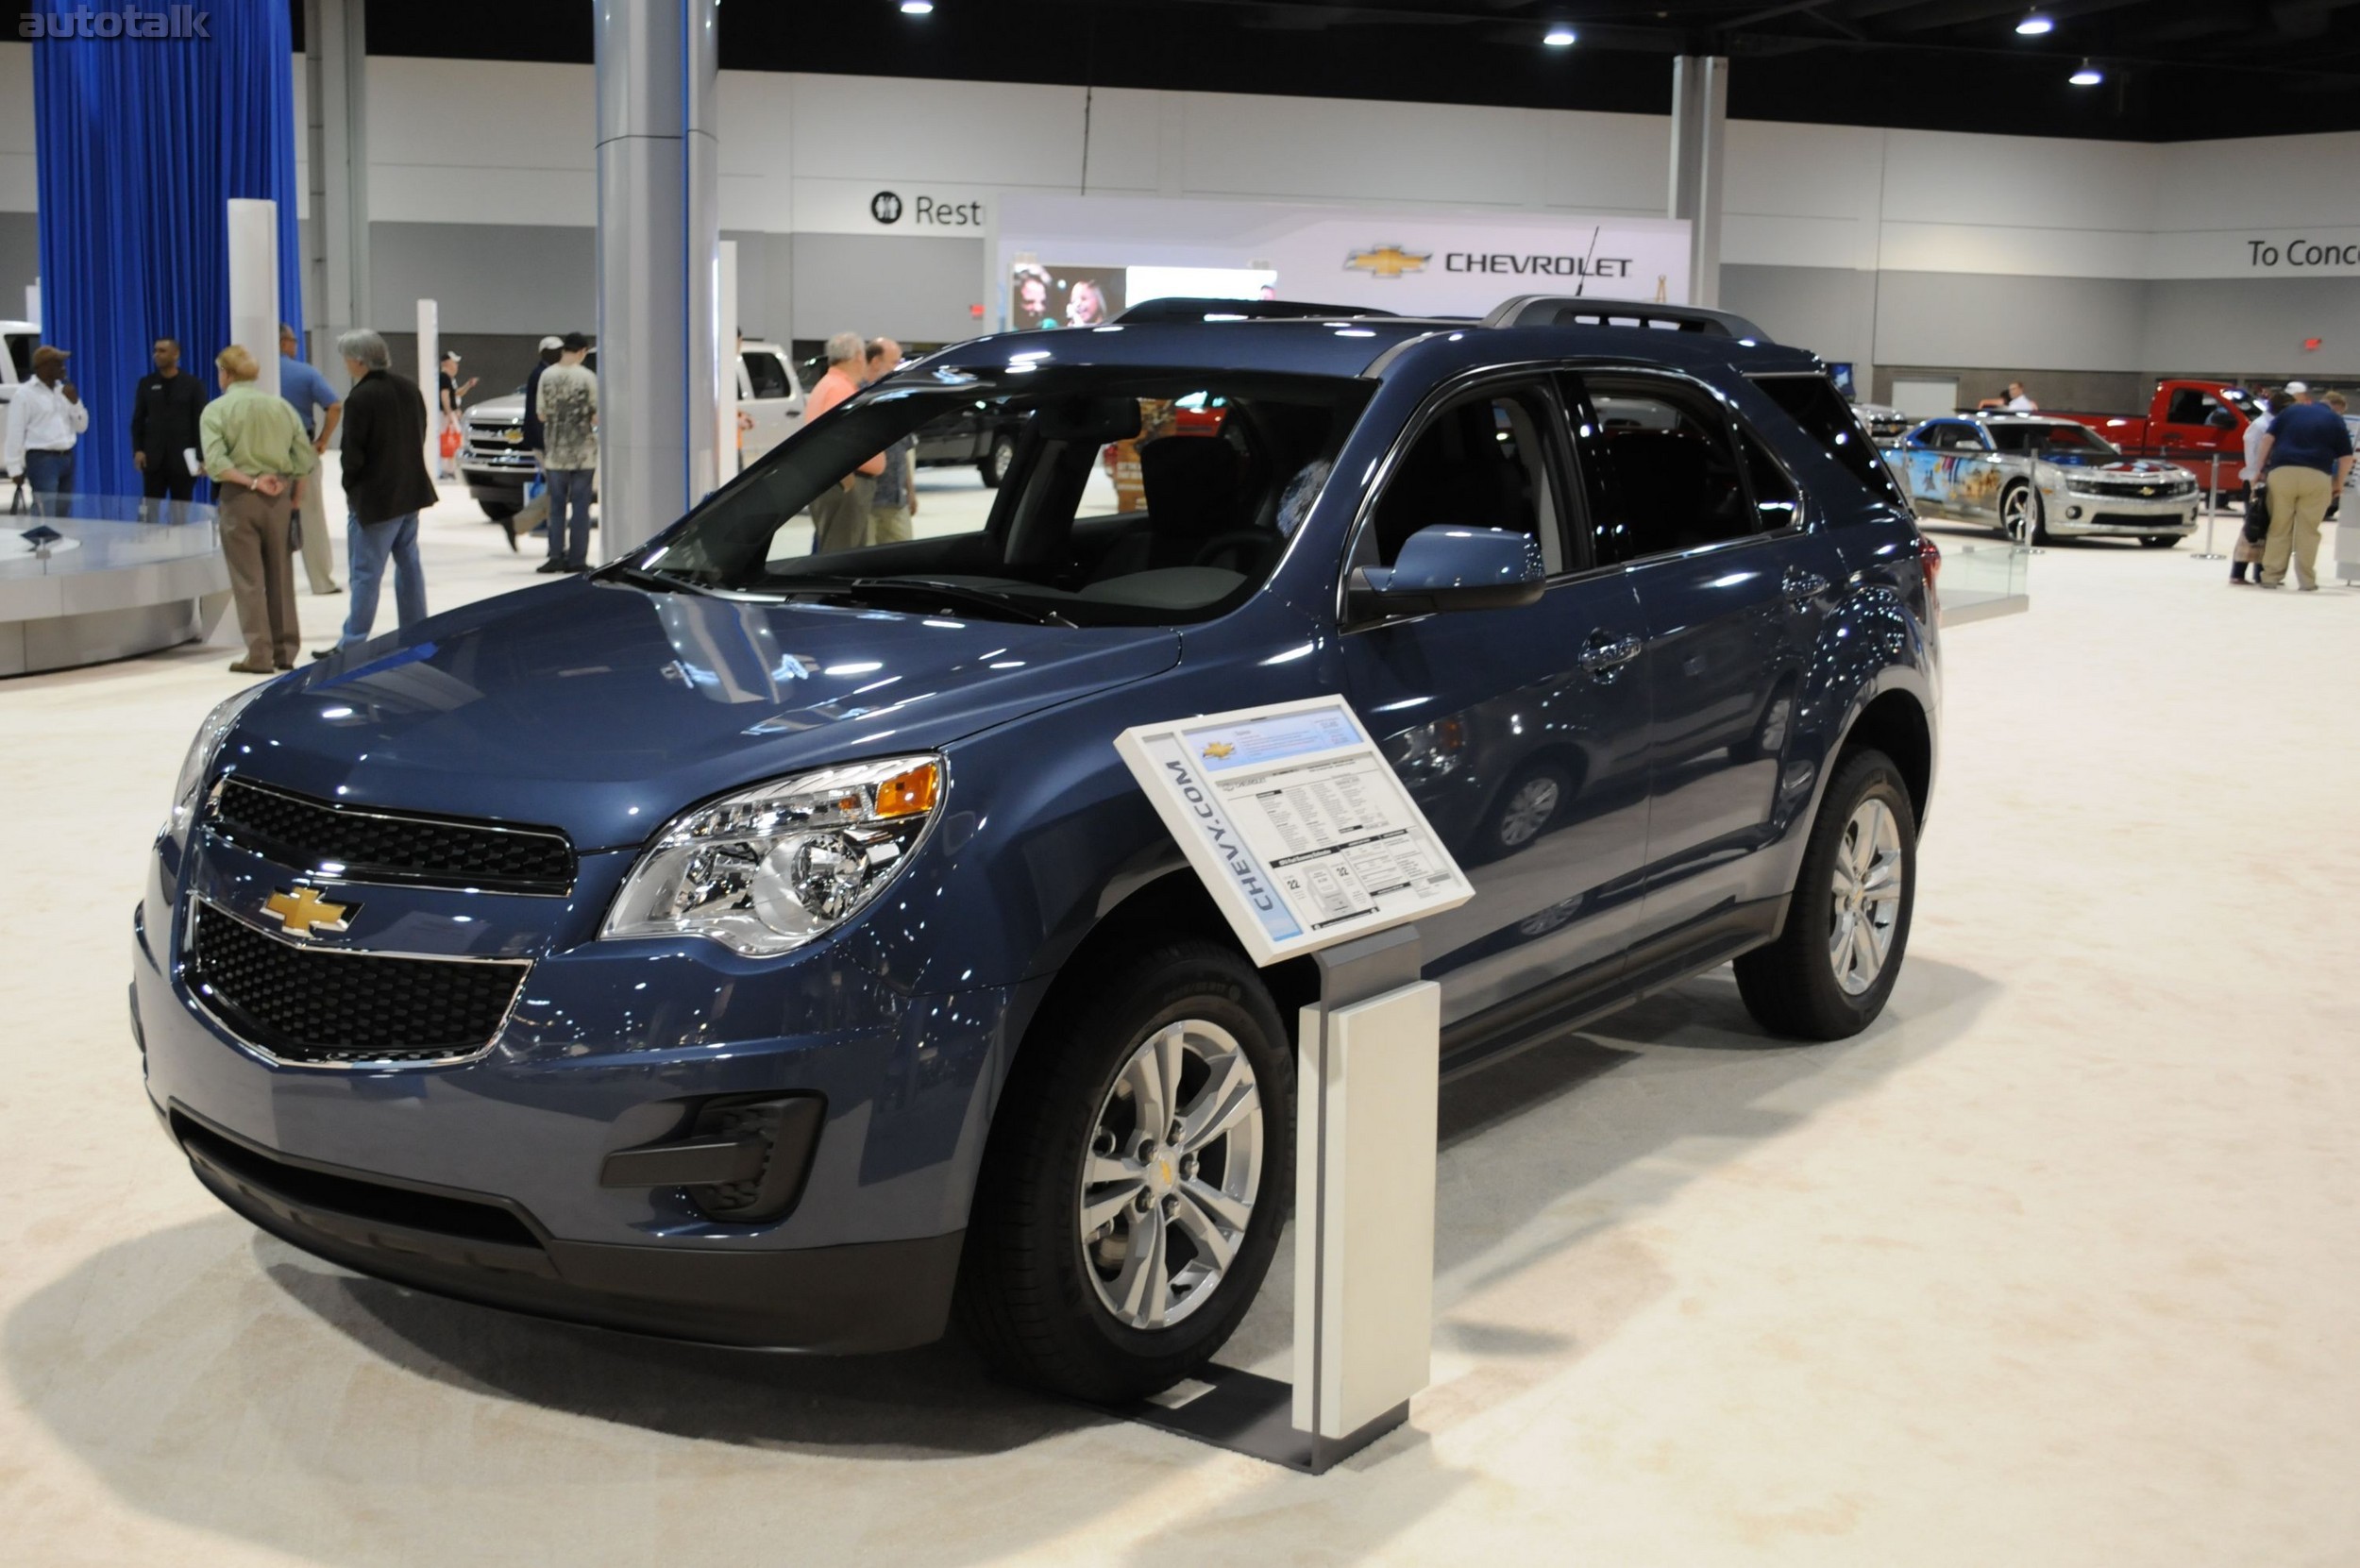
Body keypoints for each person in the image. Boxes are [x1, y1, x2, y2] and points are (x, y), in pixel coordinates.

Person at [198, 345, 317, 674]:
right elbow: (305, 460)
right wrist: (291, 499)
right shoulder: (281, 407)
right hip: (279, 495)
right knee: (281, 576)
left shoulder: (216, 410)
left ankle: (259, 654)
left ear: (226, 373)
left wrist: (251, 483)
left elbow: (217, 462)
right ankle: (286, 651)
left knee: (249, 579)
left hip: (240, 498)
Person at [325, 329, 439, 654]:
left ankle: (354, 642)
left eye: (346, 358)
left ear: (358, 360)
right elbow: (421, 431)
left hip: (377, 499)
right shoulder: (409, 388)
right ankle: (417, 630)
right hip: (410, 491)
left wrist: (351, 488)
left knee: (365, 573)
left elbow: (353, 455)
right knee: (409, 564)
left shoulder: (360, 397)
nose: (345, 363)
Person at [2252, 380, 2356, 592]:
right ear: (2337, 408)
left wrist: (2258, 470)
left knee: (2278, 527)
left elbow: (2267, 440)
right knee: (2308, 530)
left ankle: (2271, 576)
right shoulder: (2335, 420)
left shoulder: (2291, 412)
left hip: (2282, 473)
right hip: (2317, 476)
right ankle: (2306, 581)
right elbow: (2346, 458)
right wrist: (2338, 484)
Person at [278, 323, 344, 593]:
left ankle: (274, 584)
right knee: (311, 515)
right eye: (293, 340)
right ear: (283, 342)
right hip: (301, 448)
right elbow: (335, 405)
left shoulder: (256, 374)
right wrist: (323, 440)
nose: (295, 345)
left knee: (268, 518)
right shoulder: (305, 373)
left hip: (262, 452)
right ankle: (321, 581)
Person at [805, 331, 883, 553]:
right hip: (846, 484)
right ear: (859, 356)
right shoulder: (839, 389)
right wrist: (848, 482)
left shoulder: (829, 384)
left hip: (839, 482)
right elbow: (833, 441)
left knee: (840, 549)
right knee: (841, 554)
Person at [534, 332, 598, 574]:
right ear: (582, 351)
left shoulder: (547, 376)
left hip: (555, 453)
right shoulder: (588, 377)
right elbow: (595, 416)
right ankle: (577, 560)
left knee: (556, 507)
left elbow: (541, 414)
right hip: (583, 453)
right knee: (581, 507)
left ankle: (554, 556)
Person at [4, 344, 89, 516]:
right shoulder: (25, 394)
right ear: (43, 366)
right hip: (42, 460)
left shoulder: (64, 391)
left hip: (67, 457)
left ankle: (61, 542)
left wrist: (75, 403)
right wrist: (14, 468)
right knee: (45, 511)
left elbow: (82, 427)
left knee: (63, 512)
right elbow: (15, 432)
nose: (63, 368)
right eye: (58, 363)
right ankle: (42, 543)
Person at [129, 337, 207, 525]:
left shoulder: (193, 385)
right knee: (149, 511)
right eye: (155, 350)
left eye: (162, 351)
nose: (157, 355)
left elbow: (201, 423)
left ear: (176, 354)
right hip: (154, 458)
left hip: (183, 459)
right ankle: (149, 546)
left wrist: (202, 457)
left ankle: (181, 547)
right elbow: (138, 420)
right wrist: (138, 450)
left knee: (181, 511)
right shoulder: (146, 383)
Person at [864, 337, 919, 544]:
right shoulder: (859, 398)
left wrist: (910, 492)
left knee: (903, 557)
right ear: (876, 361)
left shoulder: (897, 399)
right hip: (869, 502)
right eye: (894, 363)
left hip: (897, 501)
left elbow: (903, 451)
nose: (898, 369)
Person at [2232, 389, 2279, 584]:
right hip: (2256, 479)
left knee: (2265, 526)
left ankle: (2260, 571)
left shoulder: (2272, 424)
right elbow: (2251, 451)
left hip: (2265, 477)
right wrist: (2254, 478)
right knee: (2253, 525)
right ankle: (2238, 572)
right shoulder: (2261, 425)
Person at [434, 348, 476, 480]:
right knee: (448, 440)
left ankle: (449, 468)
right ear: (446, 363)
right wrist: (450, 414)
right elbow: (444, 397)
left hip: (448, 414)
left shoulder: (449, 379)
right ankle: (446, 468)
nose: (456, 365)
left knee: (451, 440)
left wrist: (468, 385)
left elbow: (456, 393)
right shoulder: (444, 377)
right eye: (454, 362)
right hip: (446, 415)